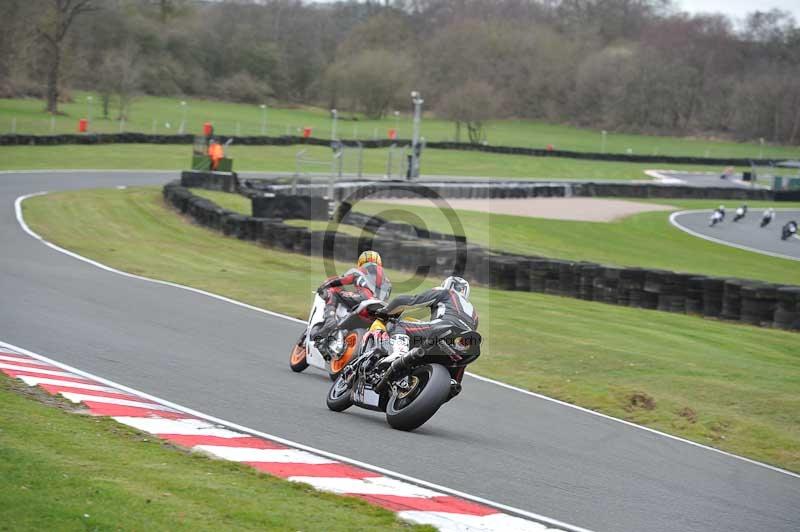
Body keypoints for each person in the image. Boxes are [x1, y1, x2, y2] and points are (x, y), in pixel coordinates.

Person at [378, 276, 478, 372]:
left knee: (397, 324)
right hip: (467, 344)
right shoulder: (474, 313)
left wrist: (385, 311)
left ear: (446, 284)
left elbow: (410, 301)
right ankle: (453, 383)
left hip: (444, 328)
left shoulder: (446, 292)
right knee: (461, 359)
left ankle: (399, 353)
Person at [310, 250, 392, 352]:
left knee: (333, 291)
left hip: (364, 299)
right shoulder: (387, 280)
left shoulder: (361, 270)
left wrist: (324, 286)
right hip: (380, 308)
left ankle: (330, 320)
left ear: (361, 262)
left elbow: (341, 280)